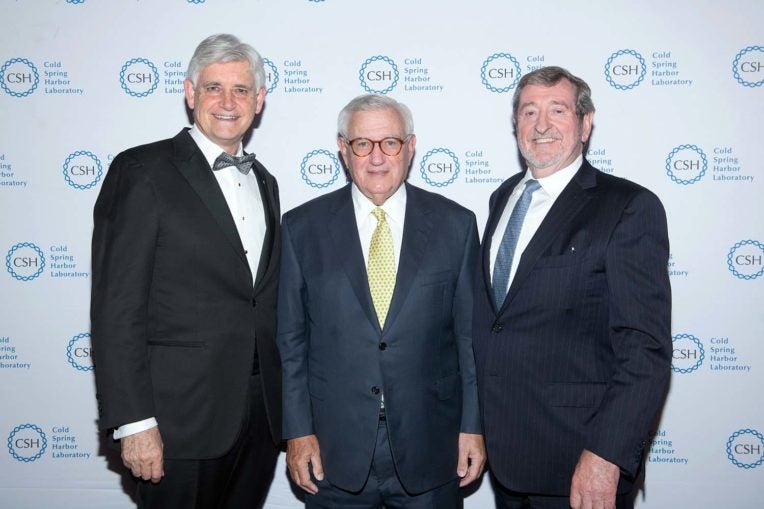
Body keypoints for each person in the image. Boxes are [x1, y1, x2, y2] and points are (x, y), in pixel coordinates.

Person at [91, 34, 281, 509]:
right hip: (177, 421)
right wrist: (134, 423)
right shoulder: (142, 170)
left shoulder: (266, 182)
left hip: (258, 418)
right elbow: (117, 310)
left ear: (258, 101)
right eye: (213, 87)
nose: (227, 102)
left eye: (241, 90)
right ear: (190, 93)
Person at [472, 66, 671, 509]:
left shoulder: (628, 207)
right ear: (515, 125)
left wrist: (606, 454)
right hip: (507, 460)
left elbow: (644, 348)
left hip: (580, 462)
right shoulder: (502, 198)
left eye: (557, 110)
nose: (541, 125)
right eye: (528, 112)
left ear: (585, 123)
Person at [277, 94, 485, 508]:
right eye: (362, 144)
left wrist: (473, 426)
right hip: (334, 451)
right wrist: (297, 432)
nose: (376, 157)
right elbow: (291, 340)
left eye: (389, 142)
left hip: (432, 443)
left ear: (410, 147)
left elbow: (469, 339)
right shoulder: (302, 228)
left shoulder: (456, 225)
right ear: (342, 148)